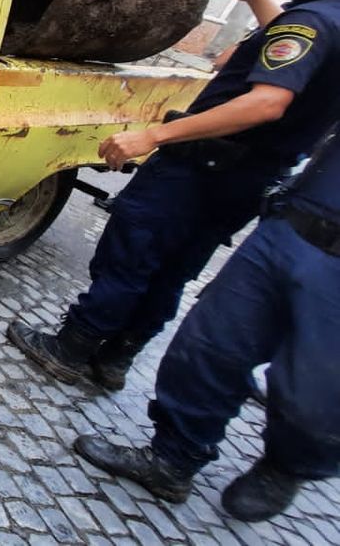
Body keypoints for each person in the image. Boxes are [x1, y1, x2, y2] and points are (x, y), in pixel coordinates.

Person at [6, 0, 340, 391]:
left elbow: (268, 101)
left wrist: (156, 136)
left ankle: (73, 347)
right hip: (250, 177)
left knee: (134, 250)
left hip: (200, 166)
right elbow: (289, 48)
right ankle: (117, 358)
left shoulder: (311, 23)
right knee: (175, 268)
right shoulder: (327, 23)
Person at [73, 122, 340, 521]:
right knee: (210, 343)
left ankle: (290, 463)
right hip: (292, 223)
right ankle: (173, 457)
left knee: (316, 389)